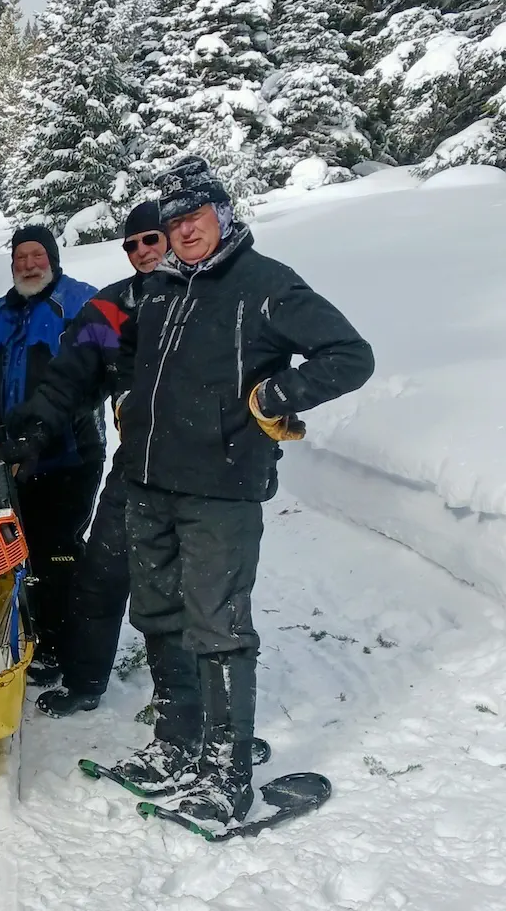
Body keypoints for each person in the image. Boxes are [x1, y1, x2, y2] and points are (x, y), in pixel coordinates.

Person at [108, 156, 374, 823]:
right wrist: (126, 398)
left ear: (222, 214)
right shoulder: (162, 288)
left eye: (195, 216)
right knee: (158, 614)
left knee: (217, 626)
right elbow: (130, 354)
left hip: (219, 489)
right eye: (173, 221)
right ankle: (176, 743)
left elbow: (349, 354)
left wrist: (274, 395)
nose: (184, 230)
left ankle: (225, 774)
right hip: (147, 481)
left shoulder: (265, 284)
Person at [0, 201, 168, 718]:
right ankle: (80, 675)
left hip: (109, 458)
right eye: (131, 244)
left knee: (169, 585)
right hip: (105, 460)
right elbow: (76, 372)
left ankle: (188, 706)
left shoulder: (217, 296)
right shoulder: (109, 304)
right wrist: (22, 424)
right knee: (86, 571)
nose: (141, 251)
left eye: (151, 240)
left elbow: (94, 377)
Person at [0, 225, 106, 686]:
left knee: (56, 552)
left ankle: (60, 646)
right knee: (11, 548)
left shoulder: (86, 301)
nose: (28, 265)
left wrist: (54, 427)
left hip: (69, 453)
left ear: (53, 258)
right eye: (20, 257)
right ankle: (24, 628)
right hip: (14, 455)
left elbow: (103, 370)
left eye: (36, 255)